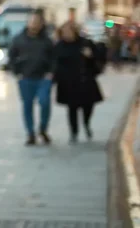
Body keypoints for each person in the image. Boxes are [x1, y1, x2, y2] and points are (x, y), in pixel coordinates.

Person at [9, 9, 55, 146]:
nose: (34, 24)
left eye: (37, 22)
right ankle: (30, 133)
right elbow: (11, 57)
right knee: (27, 106)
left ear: (41, 24)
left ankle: (43, 129)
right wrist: (17, 73)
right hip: (26, 78)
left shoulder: (47, 41)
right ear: (28, 23)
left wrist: (50, 73)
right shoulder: (18, 39)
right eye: (32, 21)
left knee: (44, 102)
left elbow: (53, 58)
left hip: (43, 78)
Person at [54, 21, 104, 142]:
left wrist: (90, 56)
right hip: (68, 82)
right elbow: (55, 63)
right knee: (72, 108)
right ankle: (74, 132)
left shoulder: (85, 43)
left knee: (88, 106)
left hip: (85, 80)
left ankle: (86, 123)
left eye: (69, 31)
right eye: (64, 32)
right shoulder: (59, 46)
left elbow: (99, 57)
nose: (66, 34)